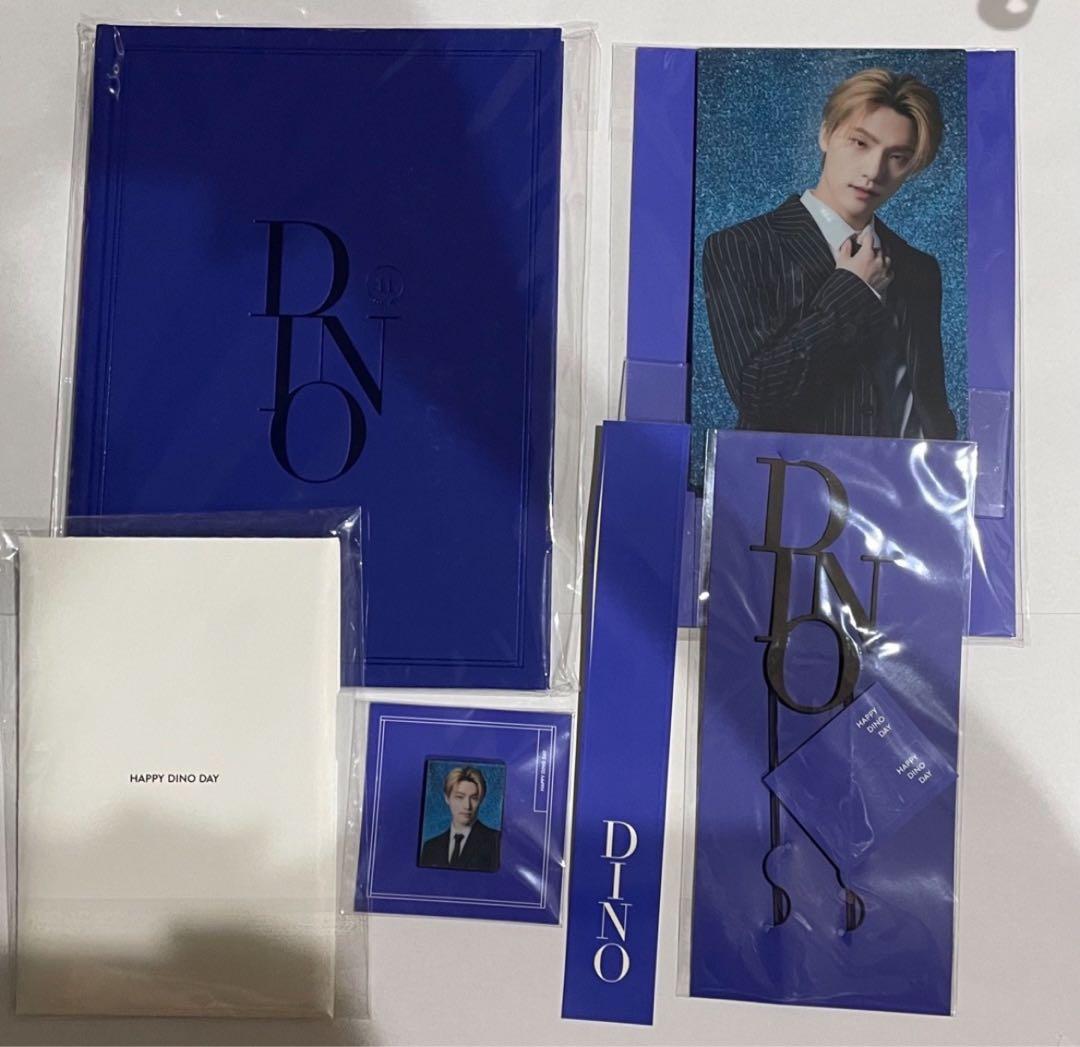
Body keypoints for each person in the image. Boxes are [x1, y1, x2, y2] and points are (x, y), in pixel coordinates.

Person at [701, 67, 957, 439]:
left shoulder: (918, 268)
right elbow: (758, 393)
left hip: (905, 474)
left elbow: (929, 403)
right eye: (860, 143)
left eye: (898, 157)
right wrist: (852, 288)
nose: (874, 171)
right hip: (794, 472)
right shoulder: (743, 246)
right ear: (826, 134)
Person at [419, 765, 501, 872]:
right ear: (447, 798)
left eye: (474, 798)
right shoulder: (430, 847)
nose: (467, 806)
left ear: (480, 800)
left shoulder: (496, 841)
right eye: (459, 797)